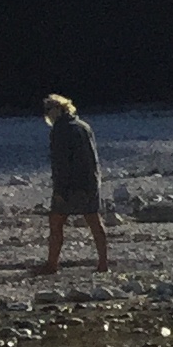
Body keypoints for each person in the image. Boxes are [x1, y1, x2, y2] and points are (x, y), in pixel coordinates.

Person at [39, 95, 109, 273]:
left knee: (56, 223)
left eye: (49, 109)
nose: (47, 114)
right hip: (90, 182)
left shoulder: (60, 130)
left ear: (59, 109)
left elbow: (61, 163)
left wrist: (60, 190)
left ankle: (51, 265)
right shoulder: (84, 126)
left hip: (70, 184)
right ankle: (103, 264)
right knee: (94, 222)